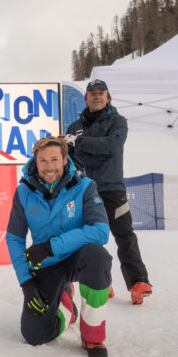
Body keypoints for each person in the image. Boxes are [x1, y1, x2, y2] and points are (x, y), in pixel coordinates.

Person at [6, 136, 113, 357]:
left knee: (98, 255)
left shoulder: (84, 186)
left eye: (54, 159)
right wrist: (26, 282)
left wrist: (50, 247)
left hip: (79, 257)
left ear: (65, 160)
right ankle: (68, 309)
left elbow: (101, 231)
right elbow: (14, 237)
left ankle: (92, 336)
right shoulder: (24, 191)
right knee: (34, 334)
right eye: (43, 160)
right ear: (35, 161)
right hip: (49, 264)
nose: (49, 166)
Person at [65, 79, 153, 305]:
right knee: (86, 238)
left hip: (112, 189)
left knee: (124, 235)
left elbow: (112, 146)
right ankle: (99, 280)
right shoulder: (74, 127)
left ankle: (138, 282)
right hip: (84, 190)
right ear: (85, 98)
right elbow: (70, 158)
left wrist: (82, 144)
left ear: (107, 97)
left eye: (101, 92)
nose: (97, 96)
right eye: (92, 92)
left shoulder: (118, 121)